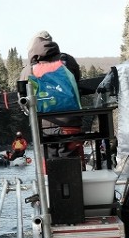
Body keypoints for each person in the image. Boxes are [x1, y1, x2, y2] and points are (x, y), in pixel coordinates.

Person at [21, 31, 83, 161]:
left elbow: (22, 97)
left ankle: (52, 179)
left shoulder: (28, 69)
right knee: (73, 168)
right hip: (71, 124)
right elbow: (76, 81)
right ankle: (74, 179)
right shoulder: (68, 61)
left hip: (44, 128)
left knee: (50, 170)